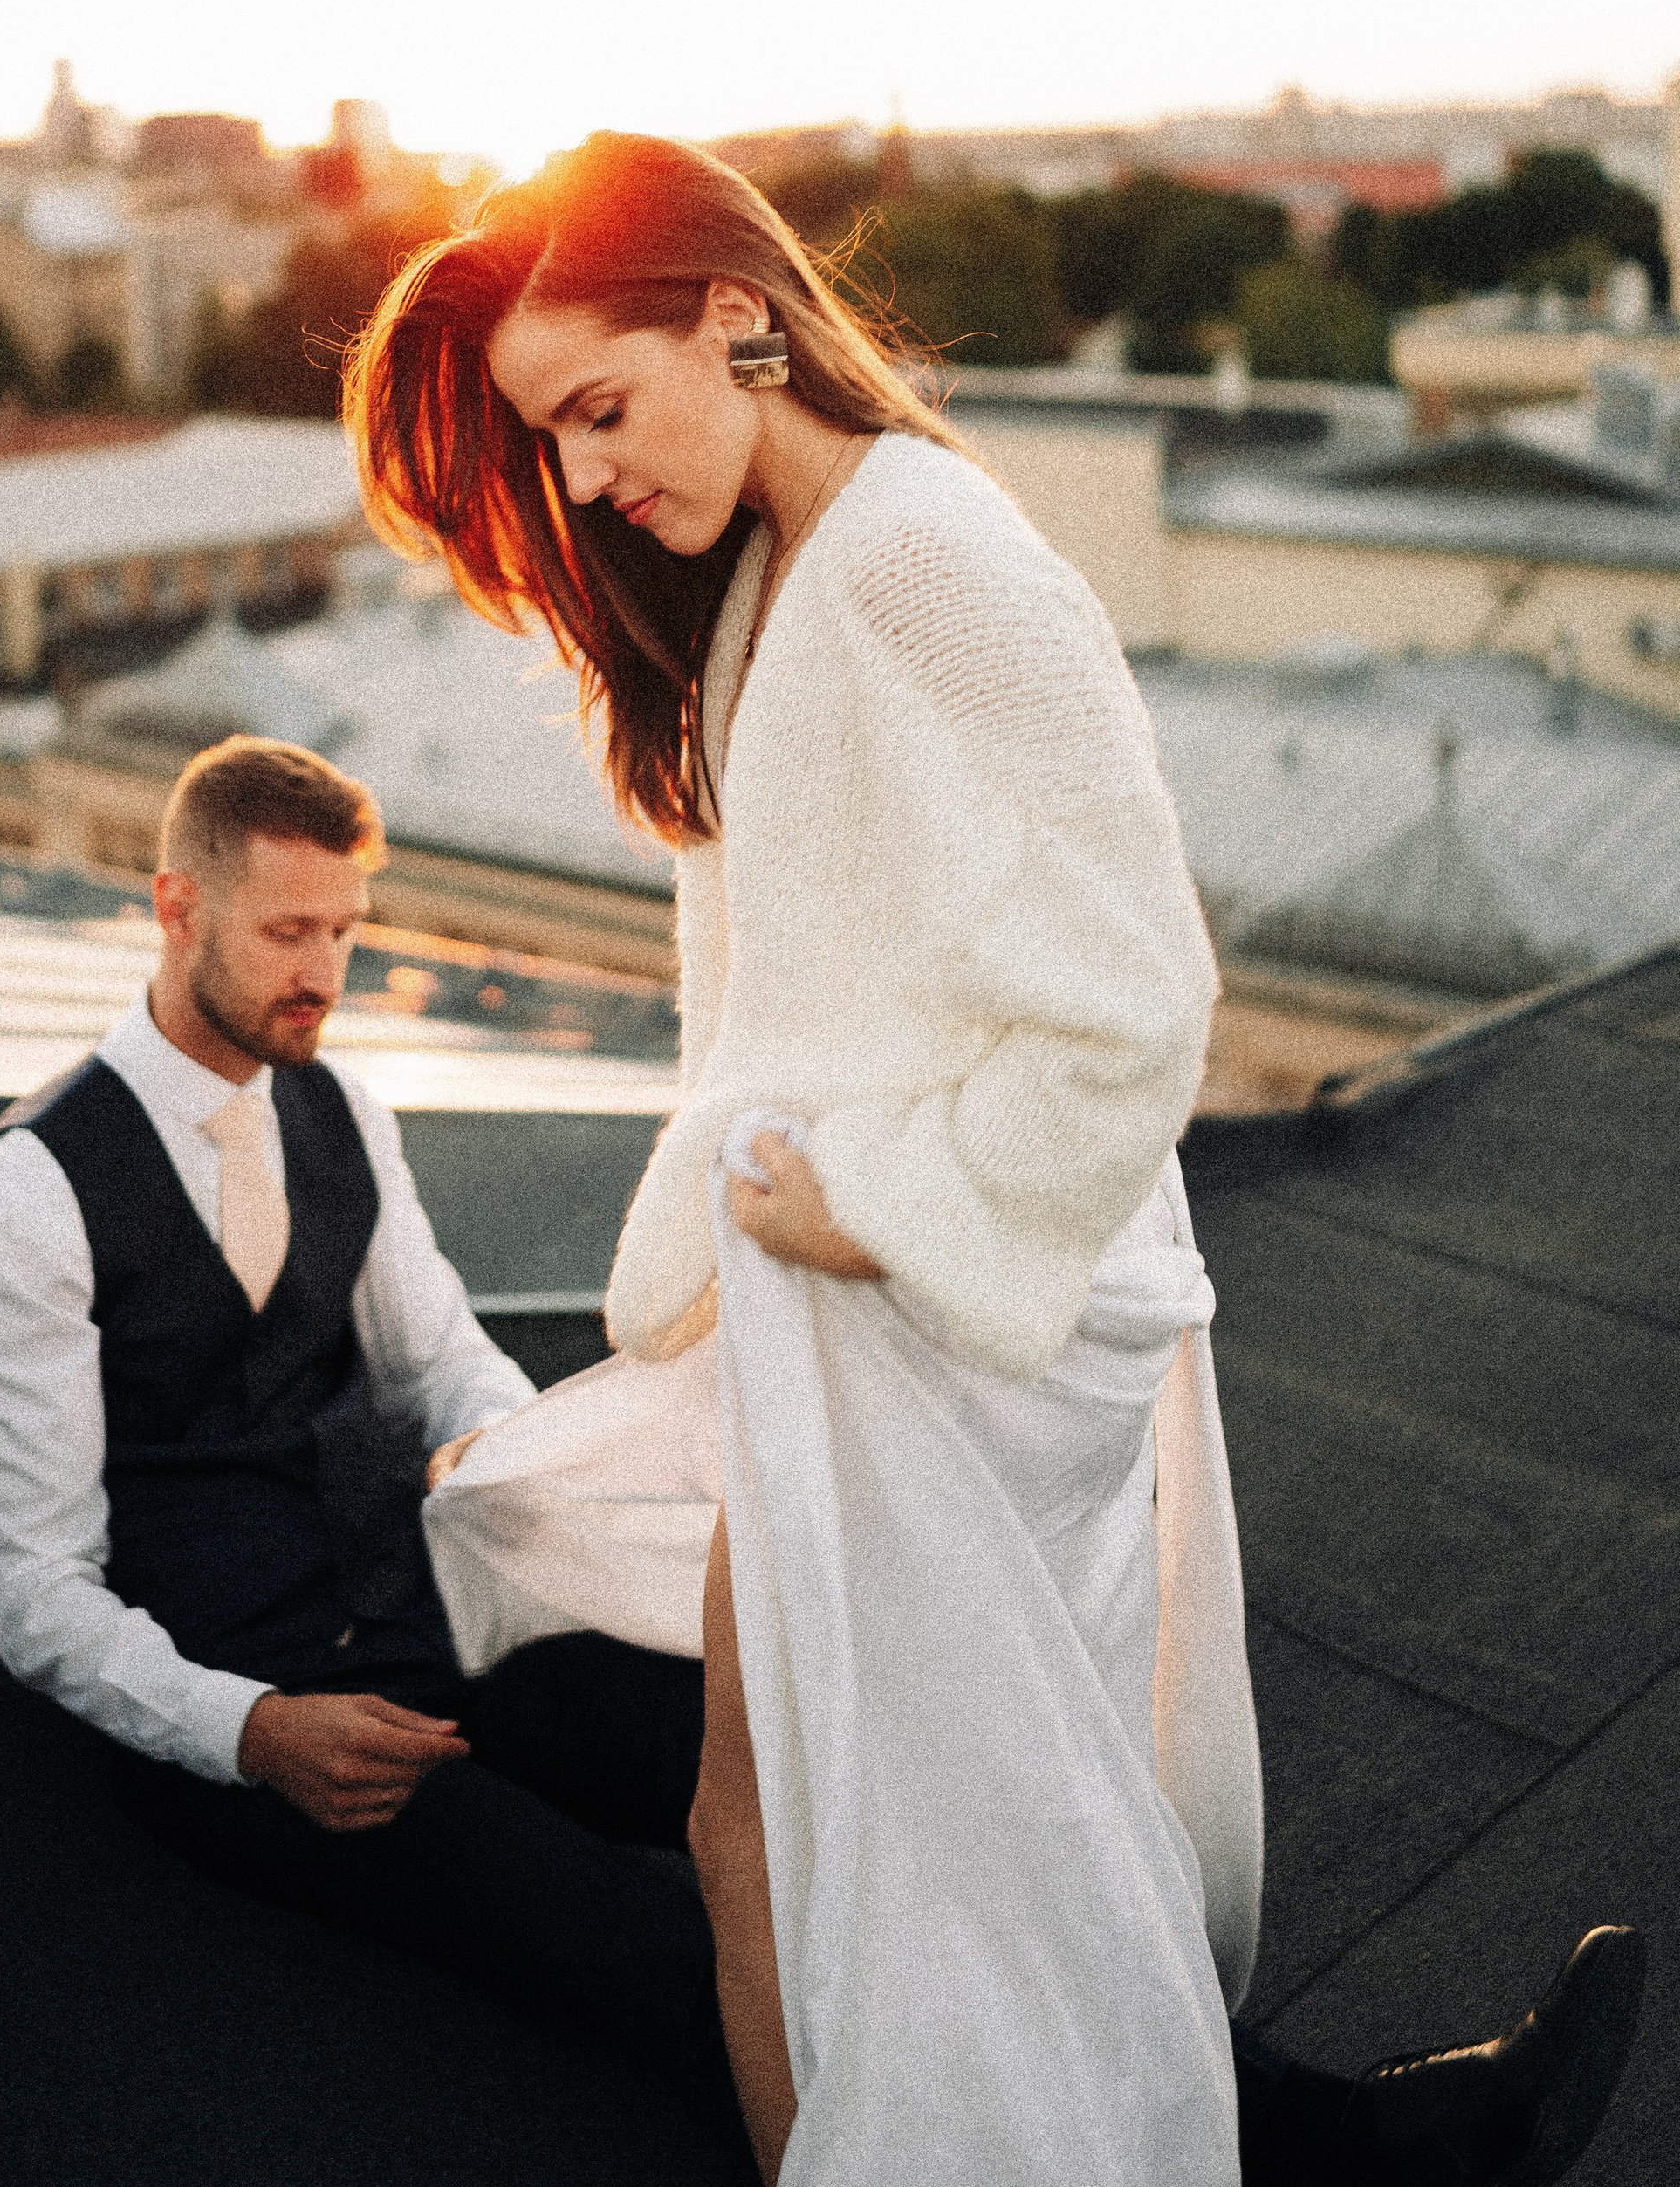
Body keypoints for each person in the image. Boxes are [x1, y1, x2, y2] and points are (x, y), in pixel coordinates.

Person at [345, 127, 1643, 2187]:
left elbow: (1132, 1005)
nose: (585, 479)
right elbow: (795, 980)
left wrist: (857, 1210)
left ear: (739, 314)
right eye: (554, 439)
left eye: (597, 410)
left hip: (944, 1312)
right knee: (818, 1820)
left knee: (917, 1829)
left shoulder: (929, 558)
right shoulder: (782, 571)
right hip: (855, 1311)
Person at [0, 735, 753, 2171]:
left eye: (345, 934)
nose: (321, 970)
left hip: (431, 1624)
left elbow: (443, 1365)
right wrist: (250, 1734)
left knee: (762, 1765)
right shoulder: (22, 1199)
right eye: (285, 930)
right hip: (252, 1707)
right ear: (178, 907)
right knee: (650, 1952)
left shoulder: (339, 1108)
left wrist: (521, 1471)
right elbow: (37, 1593)